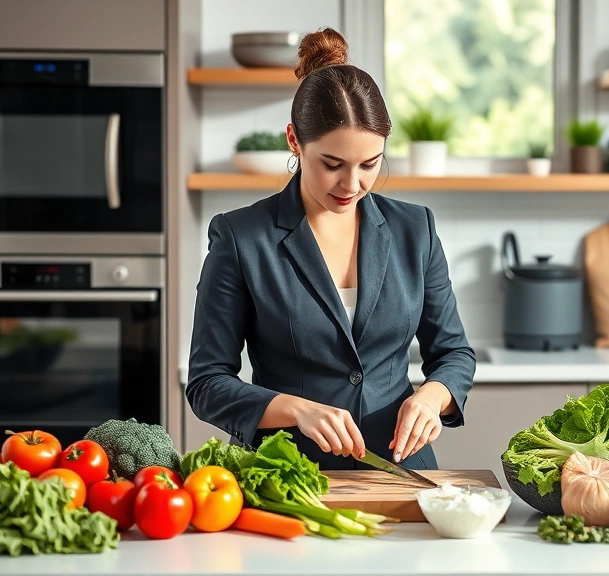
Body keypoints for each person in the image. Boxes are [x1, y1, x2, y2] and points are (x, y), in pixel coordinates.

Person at [186, 28, 475, 470]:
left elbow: (454, 353)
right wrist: (295, 409)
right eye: (332, 165)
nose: (353, 185)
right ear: (294, 141)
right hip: (287, 478)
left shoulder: (415, 229)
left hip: (401, 474)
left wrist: (434, 397)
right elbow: (207, 383)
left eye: (370, 165)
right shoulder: (240, 237)